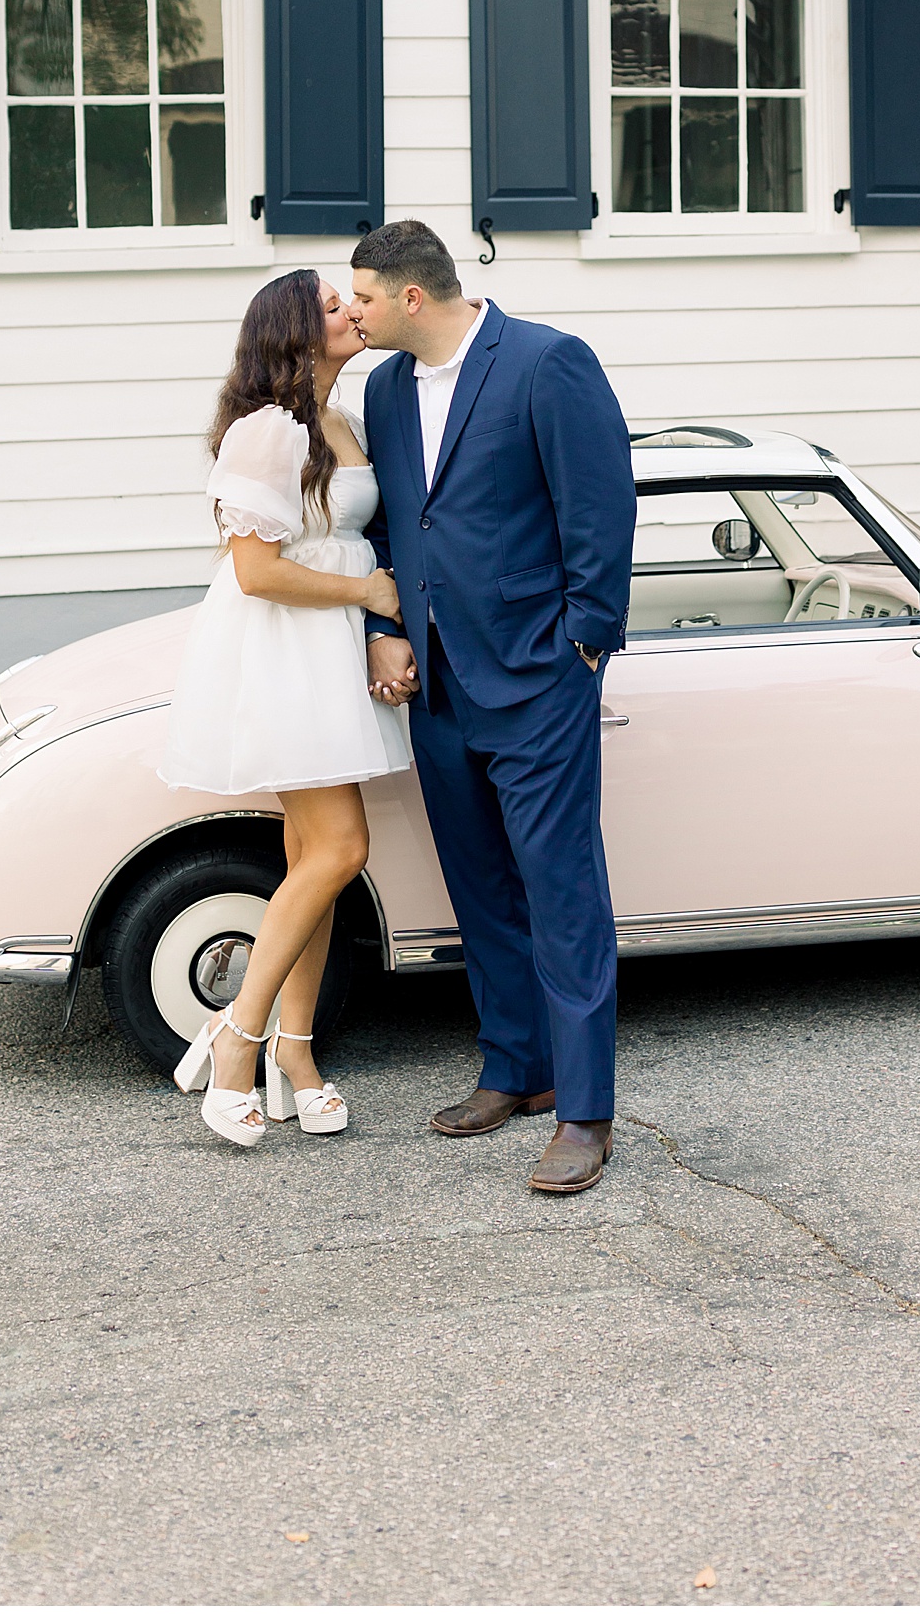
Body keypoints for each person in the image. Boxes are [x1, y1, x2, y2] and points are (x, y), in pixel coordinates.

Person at [349, 220, 636, 1196]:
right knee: (481, 890)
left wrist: (584, 647)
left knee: (562, 894)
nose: (352, 312)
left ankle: (586, 1111)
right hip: (433, 680)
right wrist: (383, 625)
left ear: (413, 297)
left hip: (538, 676)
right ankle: (516, 1067)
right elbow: (394, 517)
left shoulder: (547, 363)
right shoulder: (383, 388)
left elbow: (601, 507)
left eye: (364, 297)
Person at [161, 270, 416, 1149]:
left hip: (331, 647)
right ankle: (236, 1037)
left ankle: (296, 1054)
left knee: (316, 857)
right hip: (284, 651)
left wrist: (375, 611)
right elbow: (256, 570)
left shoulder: (339, 420)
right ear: (296, 332)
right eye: (335, 304)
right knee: (343, 845)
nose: (353, 310)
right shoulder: (267, 431)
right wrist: (372, 592)